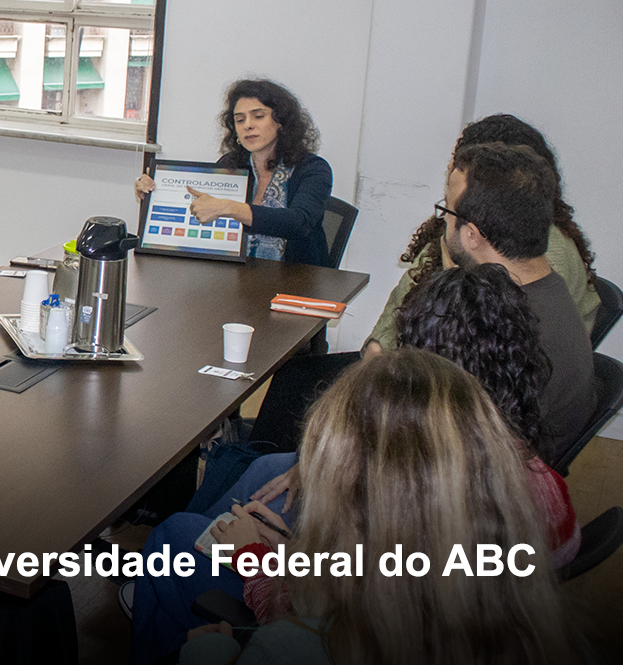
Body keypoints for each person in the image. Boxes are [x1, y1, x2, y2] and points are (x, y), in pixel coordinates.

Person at [131, 266, 582, 662]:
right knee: (255, 482)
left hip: (311, 616)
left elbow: (336, 616)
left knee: (172, 538)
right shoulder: (540, 482)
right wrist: (296, 552)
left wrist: (258, 559)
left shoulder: (407, 491)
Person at [176, 351, 588, 665]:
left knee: (175, 537)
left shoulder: (295, 646)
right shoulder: (552, 635)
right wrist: (291, 553)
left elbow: (299, 610)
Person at [245, 141, 596, 457]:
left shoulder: (492, 325)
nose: (442, 220)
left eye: (449, 211)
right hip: (465, 469)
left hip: (443, 497)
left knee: (251, 485)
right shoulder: (542, 294)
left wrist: (314, 469)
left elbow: (417, 444)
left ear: (472, 236)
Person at [369, 113, 601, 348]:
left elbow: (464, 356)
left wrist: (451, 274)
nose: (450, 171)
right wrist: (377, 350)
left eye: (463, 166)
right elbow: (398, 310)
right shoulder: (460, 226)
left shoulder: (537, 254)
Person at [136, 79, 332, 266]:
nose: (247, 125)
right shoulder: (230, 164)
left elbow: (299, 223)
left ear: (280, 122)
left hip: (298, 284)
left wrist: (229, 207)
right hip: (238, 275)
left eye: (258, 116)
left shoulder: (313, 169)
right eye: (240, 120)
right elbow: (202, 207)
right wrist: (156, 191)